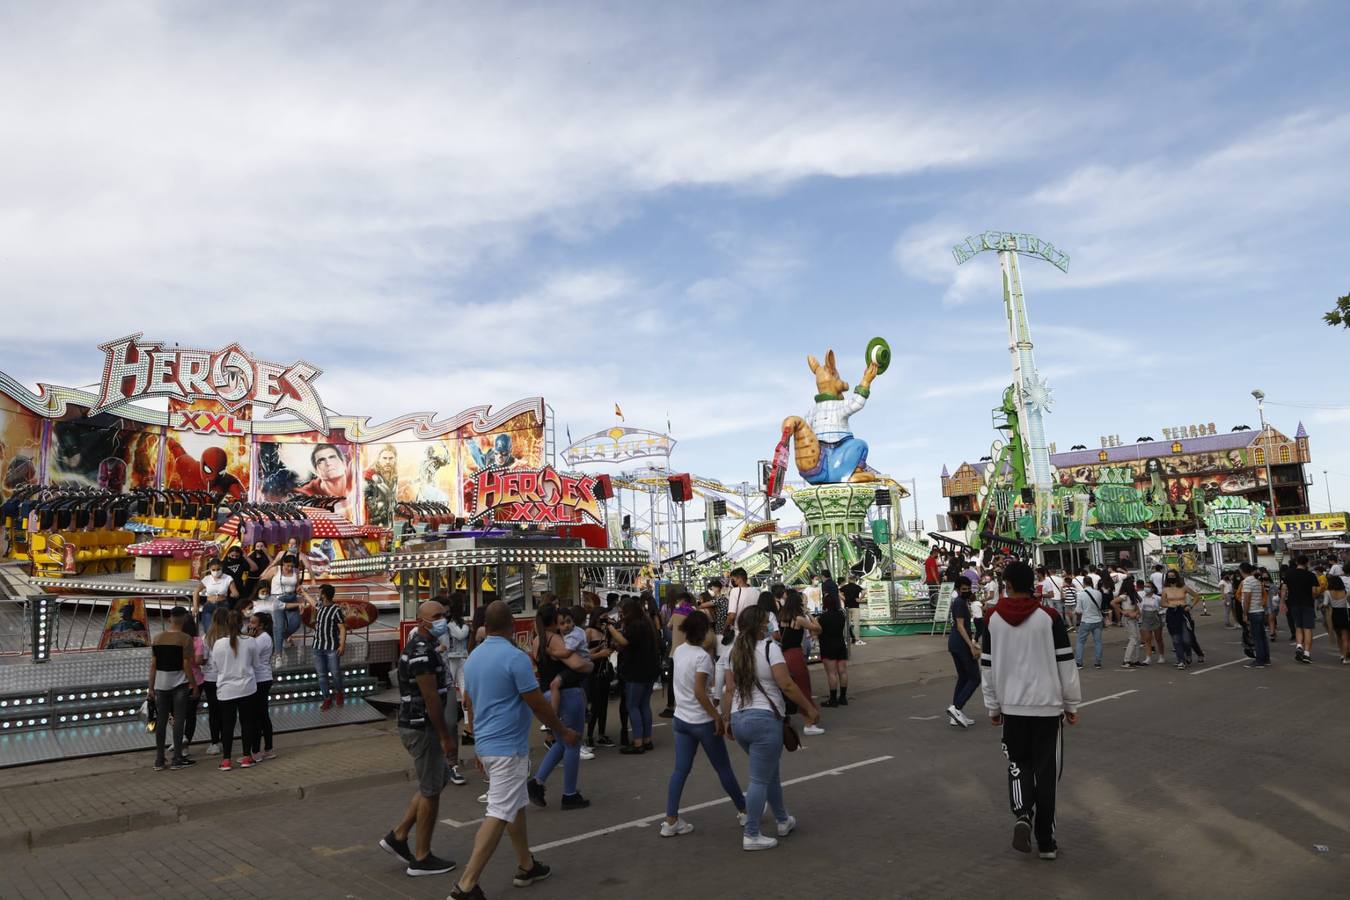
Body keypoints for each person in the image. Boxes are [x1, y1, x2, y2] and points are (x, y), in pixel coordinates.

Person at [448, 601, 575, 900]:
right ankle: (466, 885)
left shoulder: (475, 657)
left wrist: (477, 745)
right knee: (500, 811)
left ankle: (526, 865)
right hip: (507, 749)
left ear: (486, 626)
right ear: (512, 625)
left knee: (514, 805)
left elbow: (471, 703)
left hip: (489, 745)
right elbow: (537, 702)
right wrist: (562, 730)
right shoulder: (515, 658)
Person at [979, 560, 1081, 861]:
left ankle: (1022, 814)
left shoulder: (992, 619)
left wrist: (993, 706)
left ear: (1007, 585)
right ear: (1032, 584)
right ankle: (1046, 841)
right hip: (1047, 708)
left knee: (1017, 764)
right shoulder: (1048, 617)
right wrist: (1072, 703)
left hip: (1011, 708)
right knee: (1046, 774)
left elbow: (987, 666)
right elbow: (1066, 663)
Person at [720, 606, 820, 851]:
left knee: (768, 773)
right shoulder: (770, 649)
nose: (770, 625)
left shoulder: (734, 651)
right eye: (767, 622)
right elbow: (786, 684)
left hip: (740, 718)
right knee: (759, 779)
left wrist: (725, 719)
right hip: (764, 719)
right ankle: (751, 833)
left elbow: (728, 689)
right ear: (761, 626)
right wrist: (809, 708)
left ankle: (783, 819)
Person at [380, 600, 458, 877]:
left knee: (437, 780)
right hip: (421, 727)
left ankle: (398, 835)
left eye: (443, 615)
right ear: (422, 620)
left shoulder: (425, 648)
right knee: (431, 791)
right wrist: (445, 736)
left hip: (419, 726)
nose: (442, 620)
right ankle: (421, 857)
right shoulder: (422, 653)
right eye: (436, 616)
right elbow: (431, 698)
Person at [662, 610, 747, 837]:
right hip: (701, 721)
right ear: (704, 633)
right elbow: (700, 692)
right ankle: (744, 810)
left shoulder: (679, 651)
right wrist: (717, 716)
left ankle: (671, 820)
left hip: (681, 719)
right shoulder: (702, 657)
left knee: (680, 770)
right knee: (723, 768)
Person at [526, 603, 594, 810]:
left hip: (548, 693)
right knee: (572, 741)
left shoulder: (537, 640)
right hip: (568, 694)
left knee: (561, 741)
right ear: (554, 621)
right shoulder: (555, 639)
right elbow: (578, 664)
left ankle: (537, 782)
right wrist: (590, 664)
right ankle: (569, 793)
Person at [606, 596, 661, 754]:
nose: (621, 615)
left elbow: (624, 641)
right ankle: (647, 739)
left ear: (629, 612)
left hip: (636, 672)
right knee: (644, 705)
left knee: (632, 706)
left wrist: (610, 628)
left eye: (623, 612)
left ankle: (638, 743)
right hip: (649, 670)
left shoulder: (635, 626)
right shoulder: (645, 623)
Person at [148, 606, 197, 771]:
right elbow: (186, 666)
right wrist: (194, 685)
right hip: (179, 685)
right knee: (178, 721)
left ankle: (159, 759)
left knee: (161, 721)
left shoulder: (157, 638)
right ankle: (177, 758)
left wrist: (150, 688)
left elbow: (153, 666)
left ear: (170, 619)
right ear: (183, 619)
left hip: (161, 684)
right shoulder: (185, 639)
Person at [210, 609, 258, 771]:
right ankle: (246, 756)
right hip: (247, 687)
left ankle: (226, 760)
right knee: (247, 723)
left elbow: (215, 667)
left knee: (227, 725)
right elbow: (256, 664)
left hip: (226, 690)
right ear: (242, 624)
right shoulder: (250, 641)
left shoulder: (218, 644)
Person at [779, 590, 825, 736]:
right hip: (795, 654)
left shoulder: (782, 617)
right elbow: (818, 628)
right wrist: (810, 614)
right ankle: (809, 722)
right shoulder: (799, 618)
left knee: (789, 687)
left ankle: (787, 718)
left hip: (783, 655)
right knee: (803, 686)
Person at [946, 576, 981, 728]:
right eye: (963, 589)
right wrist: (971, 646)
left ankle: (955, 714)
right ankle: (957, 707)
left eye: (968, 589)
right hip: (960, 644)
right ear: (957, 590)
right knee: (975, 677)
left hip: (955, 643)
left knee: (963, 677)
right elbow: (960, 626)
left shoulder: (960, 602)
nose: (966, 591)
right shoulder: (960, 603)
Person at [584, 607, 617, 749]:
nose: (605, 618)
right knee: (596, 705)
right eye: (603, 616)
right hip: (593, 671)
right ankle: (590, 735)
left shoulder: (606, 631)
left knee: (604, 704)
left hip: (604, 671)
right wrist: (599, 651)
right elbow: (583, 654)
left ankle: (602, 734)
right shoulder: (589, 631)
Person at [247, 611, 276, 761]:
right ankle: (267, 748)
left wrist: (249, 639)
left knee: (259, 715)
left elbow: (249, 654)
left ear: (262, 625)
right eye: (250, 622)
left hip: (261, 679)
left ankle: (258, 750)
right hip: (258, 678)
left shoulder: (263, 639)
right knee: (262, 715)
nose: (249, 625)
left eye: (253, 623)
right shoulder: (259, 638)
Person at [259, 552, 305, 647]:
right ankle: (277, 653)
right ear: (283, 563)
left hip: (291, 597)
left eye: (292, 566)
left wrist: (300, 589)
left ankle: (282, 636)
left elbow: (296, 586)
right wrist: (266, 592)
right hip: (277, 599)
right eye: (287, 566)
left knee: (296, 624)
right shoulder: (275, 569)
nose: (289, 568)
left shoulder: (296, 571)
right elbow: (263, 580)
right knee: (279, 626)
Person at [312, 584, 346, 710]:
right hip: (317, 647)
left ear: (324, 595)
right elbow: (312, 603)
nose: (318, 595)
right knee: (322, 675)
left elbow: (342, 628)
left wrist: (342, 645)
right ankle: (327, 698)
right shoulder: (320, 606)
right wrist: (303, 594)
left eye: (320, 593)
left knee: (335, 673)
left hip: (331, 647)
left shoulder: (335, 610)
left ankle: (339, 692)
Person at [1280, 554, 1320, 664]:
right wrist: (1314, 596)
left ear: (1297, 563)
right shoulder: (1311, 575)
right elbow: (1314, 592)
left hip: (1294, 604)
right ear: (1307, 563)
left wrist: (1283, 602)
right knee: (1308, 629)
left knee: (1298, 626)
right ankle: (1306, 654)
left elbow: (1284, 589)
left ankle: (1298, 646)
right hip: (1307, 604)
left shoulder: (1289, 574)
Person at [1161, 571, 1202, 669]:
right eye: (1169, 576)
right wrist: (1170, 605)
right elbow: (1162, 603)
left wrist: (1190, 606)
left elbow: (1196, 596)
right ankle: (1181, 660)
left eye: (1173, 576)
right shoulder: (1165, 589)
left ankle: (1188, 653)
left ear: (1177, 576)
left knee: (1186, 639)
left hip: (1183, 612)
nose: (1171, 578)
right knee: (1176, 639)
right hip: (1172, 613)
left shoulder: (1183, 587)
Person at [817, 593, 850, 707]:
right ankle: (843, 697)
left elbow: (818, 630)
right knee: (843, 671)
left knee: (831, 673)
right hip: (840, 644)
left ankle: (833, 699)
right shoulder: (841, 615)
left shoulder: (823, 617)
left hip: (828, 645)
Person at [192, 558, 237, 636]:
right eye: (214, 569)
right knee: (208, 629)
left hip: (223, 606)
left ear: (222, 568)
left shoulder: (228, 578)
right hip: (209, 605)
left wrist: (234, 594)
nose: (216, 571)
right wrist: (195, 606)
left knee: (223, 630)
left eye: (218, 569)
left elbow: (235, 591)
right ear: (210, 569)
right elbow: (196, 592)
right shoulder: (207, 579)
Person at [1241, 563, 1271, 668]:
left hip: (1253, 611)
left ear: (1242, 571)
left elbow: (1247, 598)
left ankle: (1259, 660)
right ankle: (1266, 658)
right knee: (1262, 636)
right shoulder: (1257, 581)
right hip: (1260, 610)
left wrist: (1245, 613)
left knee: (1256, 638)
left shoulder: (1247, 582)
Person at [1074, 577, 1106, 669]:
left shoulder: (1080, 594)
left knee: (1080, 642)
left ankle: (1079, 663)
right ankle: (1098, 663)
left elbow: (1079, 610)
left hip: (1086, 620)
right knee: (1098, 642)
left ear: (1084, 583)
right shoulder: (1098, 593)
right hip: (1098, 620)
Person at [1112, 578, 1143, 668]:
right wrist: (1122, 612)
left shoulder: (1132, 595)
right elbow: (1113, 603)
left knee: (1137, 638)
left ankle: (1135, 659)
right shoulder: (1124, 596)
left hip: (1133, 617)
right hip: (1128, 618)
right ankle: (1127, 660)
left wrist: (1137, 613)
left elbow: (1136, 606)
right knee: (1133, 638)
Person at [725, 568, 759, 641]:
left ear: (739, 579)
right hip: (754, 630)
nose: (732, 582)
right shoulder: (757, 591)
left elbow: (732, 616)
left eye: (733, 579)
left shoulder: (734, 591)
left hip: (739, 631)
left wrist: (725, 628)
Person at [1324, 574, 1350, 664]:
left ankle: (1342, 654)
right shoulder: (1345, 591)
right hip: (1345, 614)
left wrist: (1322, 606)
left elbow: (1325, 604)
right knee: (1346, 637)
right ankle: (1346, 658)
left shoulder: (1328, 592)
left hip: (1334, 614)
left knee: (1339, 636)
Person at [1139, 580, 1165, 664]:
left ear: (1153, 588)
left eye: (1148, 586)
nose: (1146, 588)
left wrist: (1160, 613)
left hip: (1156, 617)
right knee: (1147, 639)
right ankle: (1148, 657)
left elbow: (1164, 607)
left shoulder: (1157, 598)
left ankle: (1161, 656)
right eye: (1145, 586)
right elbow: (1140, 608)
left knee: (1158, 638)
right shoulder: (1142, 597)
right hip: (1145, 618)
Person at [841, 575, 865, 646]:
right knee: (856, 624)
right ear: (855, 580)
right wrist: (860, 599)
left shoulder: (845, 587)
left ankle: (845, 640)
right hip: (855, 607)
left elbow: (838, 592)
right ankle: (857, 640)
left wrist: (844, 598)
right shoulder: (857, 587)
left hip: (847, 607)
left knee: (846, 625)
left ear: (848, 579)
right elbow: (864, 592)